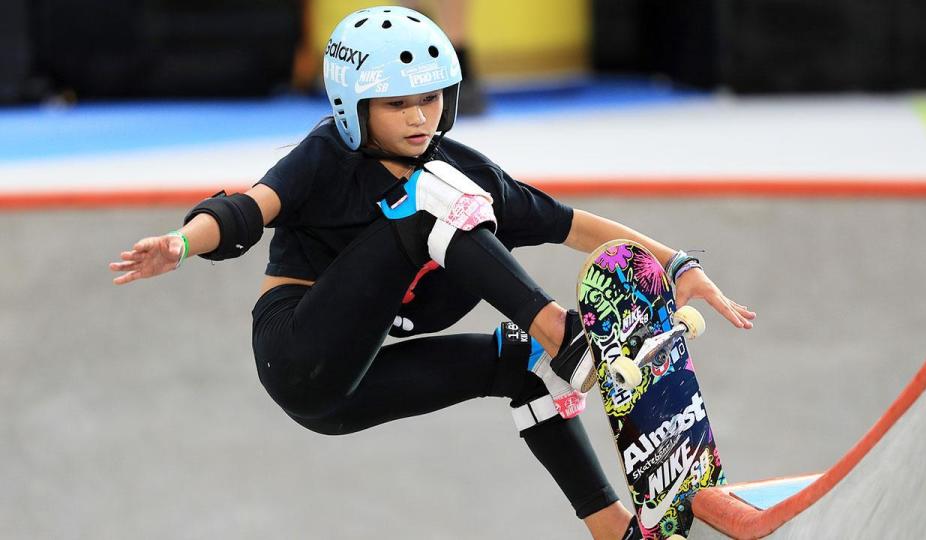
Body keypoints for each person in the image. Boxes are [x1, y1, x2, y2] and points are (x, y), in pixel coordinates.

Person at [109, 6, 755, 539]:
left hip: (352, 390)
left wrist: (678, 266)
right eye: (397, 106)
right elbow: (246, 210)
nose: (419, 119)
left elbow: (574, 225)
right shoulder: (324, 158)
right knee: (425, 209)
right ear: (352, 108)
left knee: (512, 366)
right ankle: (562, 332)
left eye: (430, 100)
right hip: (297, 355)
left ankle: (613, 528)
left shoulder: (468, 176)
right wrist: (182, 243)